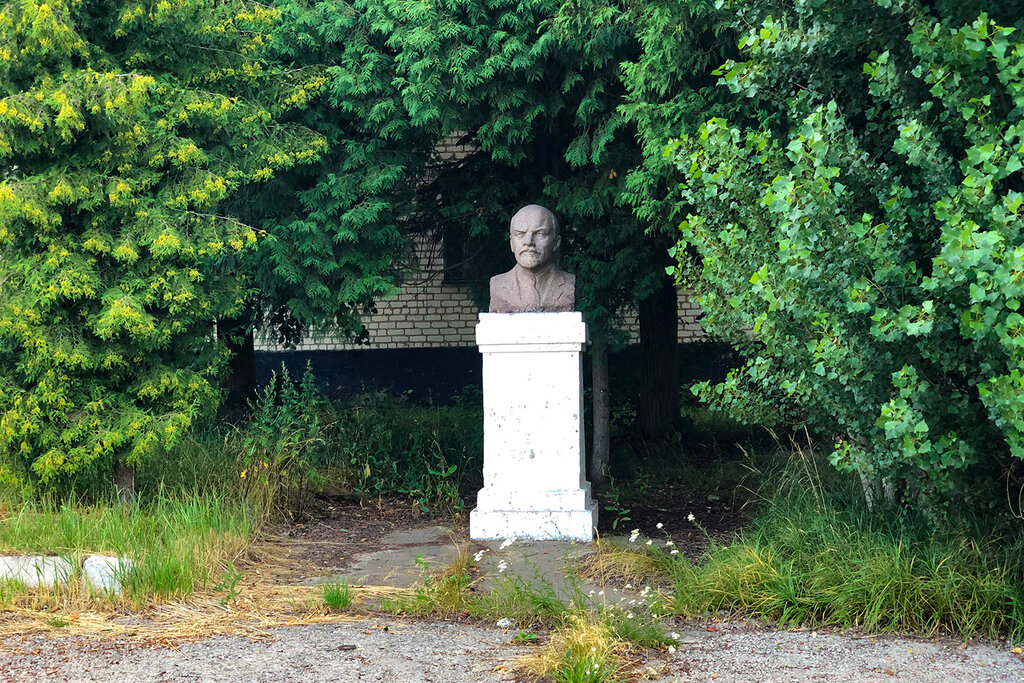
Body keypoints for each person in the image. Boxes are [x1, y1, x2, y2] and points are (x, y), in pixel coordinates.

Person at [489, 204, 576, 313]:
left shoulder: (569, 284)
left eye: (540, 234)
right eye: (520, 234)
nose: (528, 242)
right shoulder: (497, 285)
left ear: (556, 243)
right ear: (511, 243)